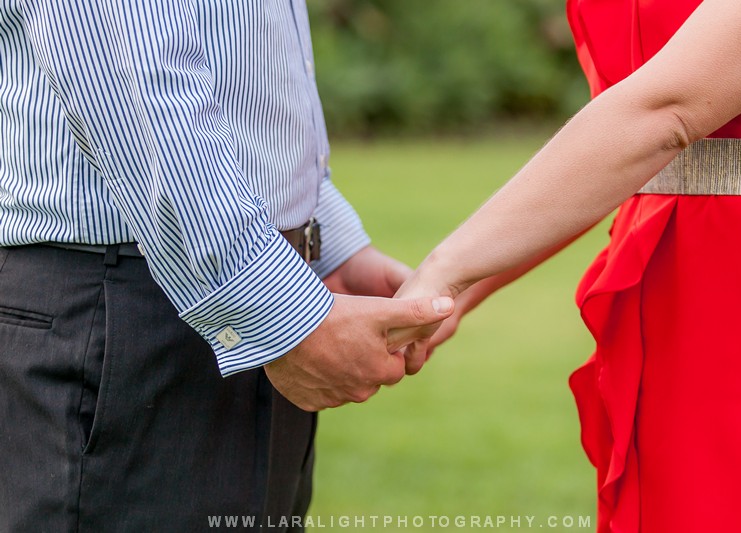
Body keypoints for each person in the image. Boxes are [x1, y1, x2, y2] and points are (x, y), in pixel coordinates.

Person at [0, 1, 453, 531]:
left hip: (234, 285)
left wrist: (328, 244)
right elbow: (131, 76)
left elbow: (248, 83)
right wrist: (280, 313)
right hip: (131, 308)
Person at [398, 0, 741, 531]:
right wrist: (444, 300)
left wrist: (444, 268)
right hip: (668, 292)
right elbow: (618, 152)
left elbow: (661, 113)